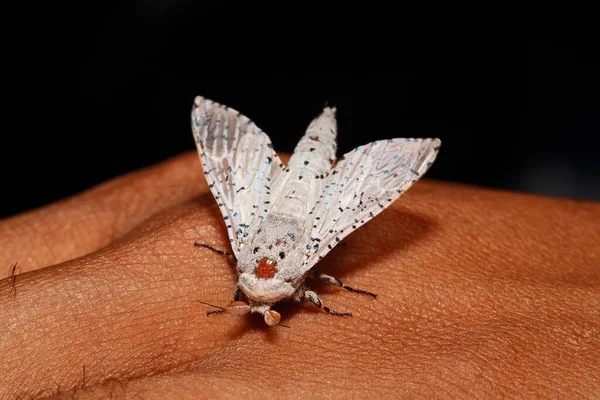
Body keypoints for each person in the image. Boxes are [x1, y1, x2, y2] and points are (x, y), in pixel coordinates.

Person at [1, 152, 598, 399]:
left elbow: (316, 285)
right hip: (298, 214)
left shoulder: (296, 275)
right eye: (251, 293)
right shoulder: (259, 275)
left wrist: (327, 294)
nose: (257, 296)